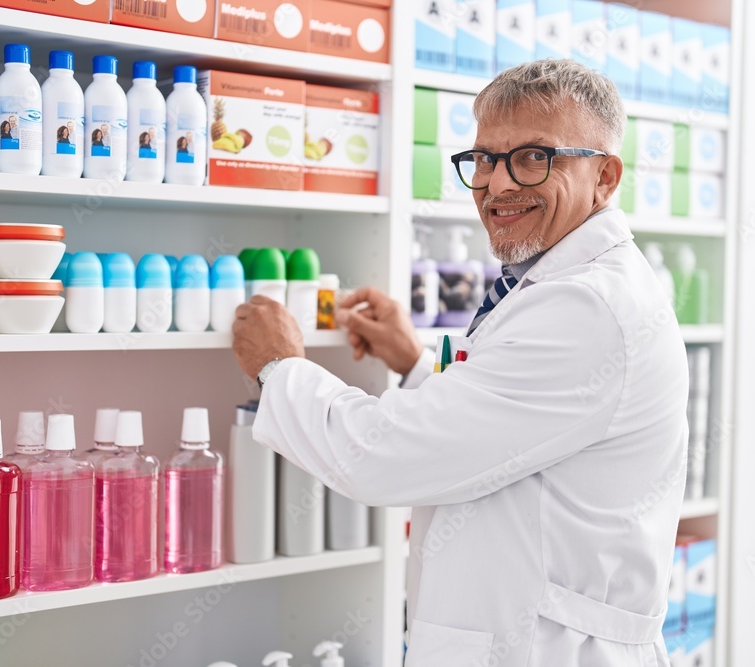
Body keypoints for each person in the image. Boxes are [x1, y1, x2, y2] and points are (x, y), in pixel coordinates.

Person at [232, 59, 689, 667]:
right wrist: (416, 363)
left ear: (605, 177)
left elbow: (382, 456)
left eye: (534, 157)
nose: (498, 186)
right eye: (484, 160)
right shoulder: (561, 282)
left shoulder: (587, 307)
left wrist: (280, 369)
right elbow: (512, 433)